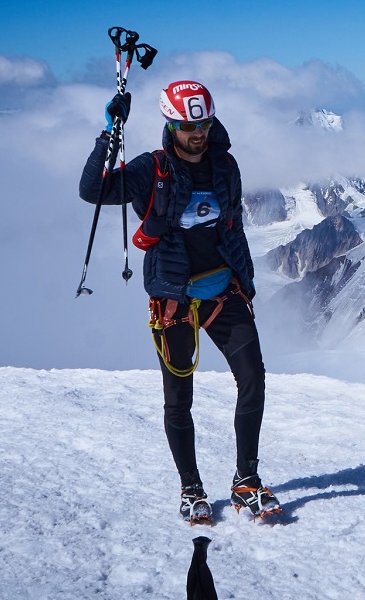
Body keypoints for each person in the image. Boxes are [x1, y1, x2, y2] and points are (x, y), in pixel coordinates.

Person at [80, 79, 279, 525]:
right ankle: (191, 487)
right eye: (189, 125)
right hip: (174, 299)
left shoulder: (226, 167)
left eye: (204, 123)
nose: (198, 133)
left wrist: (244, 281)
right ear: (171, 123)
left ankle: (246, 479)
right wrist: (109, 135)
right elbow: (93, 191)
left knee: (253, 379)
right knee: (178, 398)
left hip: (222, 291)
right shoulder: (151, 169)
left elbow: (233, 226)